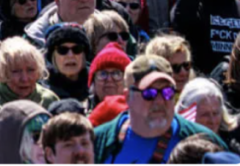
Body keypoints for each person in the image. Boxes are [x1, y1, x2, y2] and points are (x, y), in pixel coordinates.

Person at [93, 55, 227, 162]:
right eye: (149, 93)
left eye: (167, 92)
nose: (159, 101)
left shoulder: (206, 144)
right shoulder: (98, 143)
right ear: (128, 97)